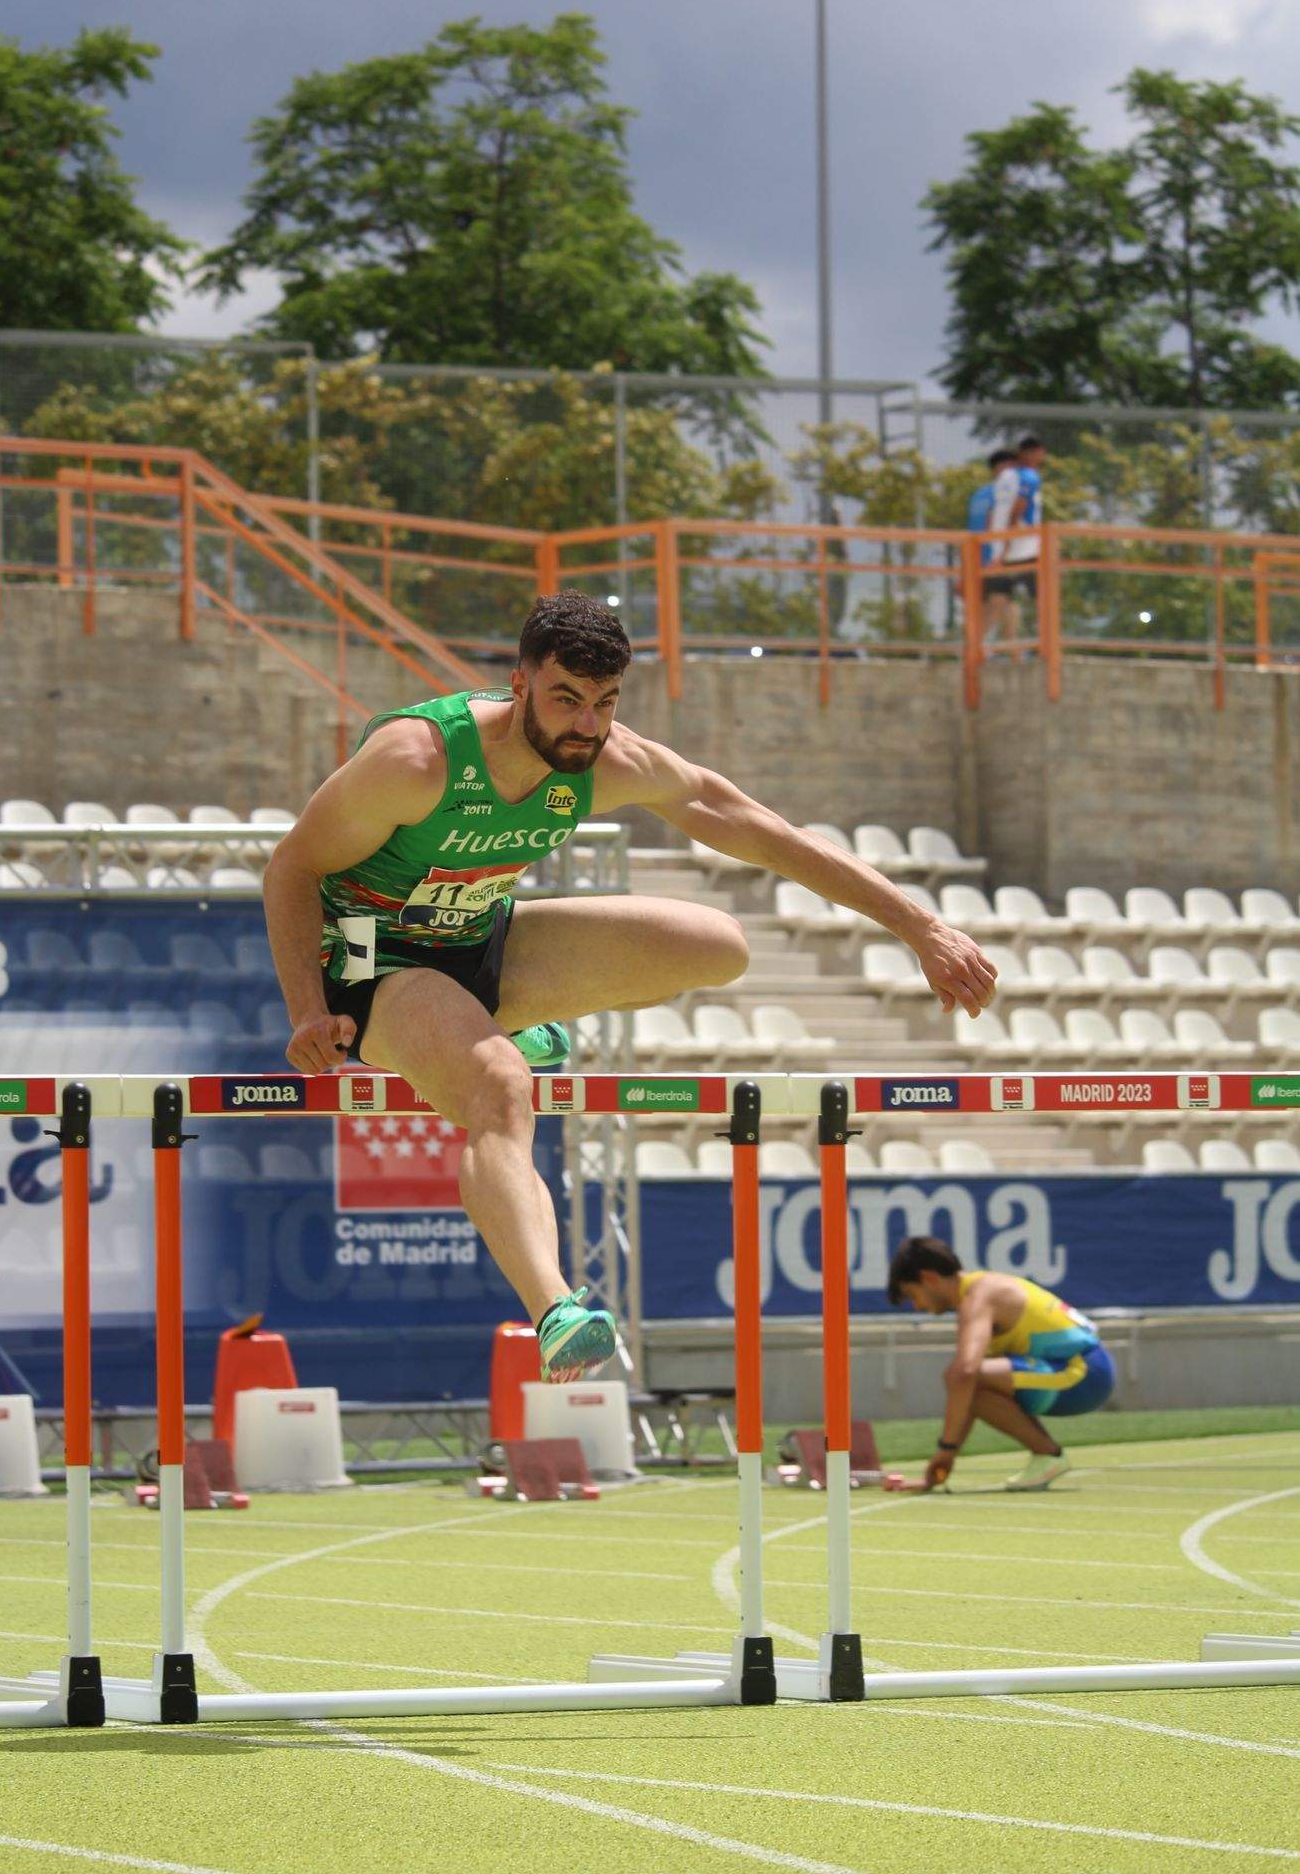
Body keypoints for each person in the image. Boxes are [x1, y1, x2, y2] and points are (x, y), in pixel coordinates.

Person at [265, 592, 998, 1384]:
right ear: (518, 685)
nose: (586, 725)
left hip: (477, 942)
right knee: (500, 1088)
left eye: (605, 704)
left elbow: (765, 831)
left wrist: (921, 927)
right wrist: (307, 1005)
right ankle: (555, 1310)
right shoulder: (416, 764)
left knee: (716, 945)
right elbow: (291, 869)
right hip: (371, 962)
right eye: (567, 701)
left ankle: (496, 1022)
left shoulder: (610, 760)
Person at [887, 1233, 1116, 1491]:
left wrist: (945, 1451)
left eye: (913, 1295)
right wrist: (946, 1458)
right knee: (969, 1386)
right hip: (1081, 1371)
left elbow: (963, 1373)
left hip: (1084, 1373)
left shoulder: (979, 1297)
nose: (917, 1307)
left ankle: (1048, 1455)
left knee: (961, 1375)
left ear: (928, 1278)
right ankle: (1047, 1456)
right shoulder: (978, 1290)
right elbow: (967, 1389)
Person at [984, 432, 1046, 647]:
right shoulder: (1029, 477)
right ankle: (1046, 647)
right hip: (1023, 550)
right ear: (1035, 453)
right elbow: (1017, 511)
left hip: (1000, 550)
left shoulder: (1003, 478)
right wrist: (1007, 546)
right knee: (1044, 598)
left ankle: (975, 648)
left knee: (998, 601)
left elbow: (992, 514)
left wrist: (996, 547)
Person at [966, 447, 1018, 639]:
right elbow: (993, 525)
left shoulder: (978, 495)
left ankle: (1014, 652)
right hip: (996, 559)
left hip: (977, 559)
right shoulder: (1002, 495)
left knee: (1003, 604)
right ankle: (974, 649)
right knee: (998, 603)